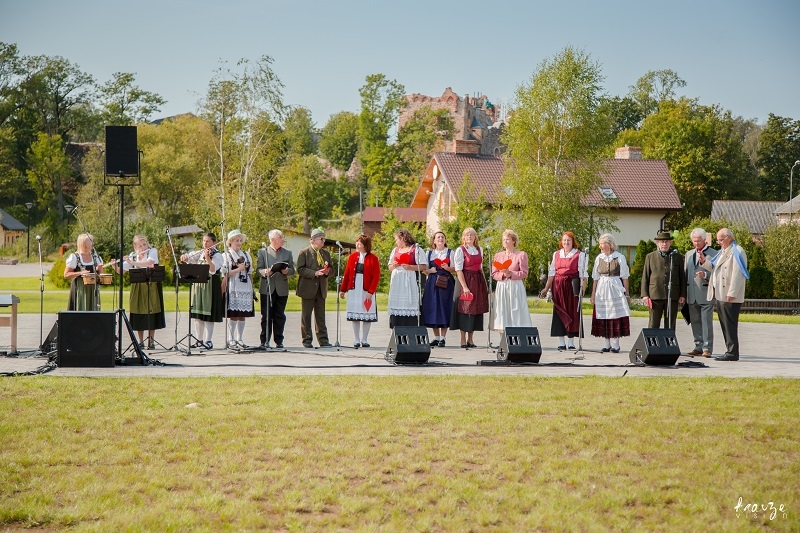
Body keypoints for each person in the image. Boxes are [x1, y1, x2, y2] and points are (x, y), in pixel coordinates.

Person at [702, 227, 749, 361]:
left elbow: (738, 274)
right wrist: (703, 262)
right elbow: (714, 267)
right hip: (720, 293)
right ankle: (729, 350)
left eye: (721, 240)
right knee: (724, 324)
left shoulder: (737, 251)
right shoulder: (723, 251)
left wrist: (732, 292)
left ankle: (732, 352)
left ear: (729, 238)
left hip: (729, 294)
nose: (719, 242)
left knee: (730, 324)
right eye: (718, 240)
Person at [113, 235, 166, 350]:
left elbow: (149, 263)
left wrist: (133, 263)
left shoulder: (152, 251)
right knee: (138, 312)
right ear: (135, 247)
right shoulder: (133, 255)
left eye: (144, 244)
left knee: (152, 311)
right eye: (140, 245)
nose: (143, 247)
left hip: (151, 286)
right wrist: (115, 266)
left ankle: (151, 341)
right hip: (137, 287)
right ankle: (140, 341)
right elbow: (121, 271)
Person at [539, 231, 588, 351]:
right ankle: (561, 342)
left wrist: (583, 289)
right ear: (561, 242)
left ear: (573, 242)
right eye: (564, 240)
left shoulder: (579, 255)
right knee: (559, 312)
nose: (566, 242)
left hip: (572, 286)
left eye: (569, 240)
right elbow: (552, 273)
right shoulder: (556, 254)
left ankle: (571, 342)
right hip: (558, 286)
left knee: (572, 313)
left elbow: (583, 274)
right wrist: (546, 288)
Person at [180, 232, 224, 350]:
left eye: (208, 241)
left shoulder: (218, 255)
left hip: (210, 286)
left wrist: (208, 258)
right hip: (199, 285)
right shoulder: (200, 253)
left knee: (208, 315)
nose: (205, 243)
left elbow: (212, 270)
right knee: (198, 314)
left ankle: (208, 341)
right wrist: (184, 257)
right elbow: (190, 257)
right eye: (204, 241)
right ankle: (199, 340)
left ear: (214, 243)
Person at [589, 233, 631, 353]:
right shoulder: (599, 258)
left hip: (615, 289)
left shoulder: (619, 257)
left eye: (602, 243)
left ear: (610, 244)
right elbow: (595, 278)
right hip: (602, 289)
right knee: (604, 315)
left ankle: (616, 344)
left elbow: (625, 277)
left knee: (615, 316)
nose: (600, 246)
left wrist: (626, 294)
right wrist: (593, 294)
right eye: (600, 243)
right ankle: (606, 344)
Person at [339, 234, 380, 348]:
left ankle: (365, 339)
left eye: (360, 243)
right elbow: (347, 274)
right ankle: (356, 339)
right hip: (354, 288)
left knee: (367, 313)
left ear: (365, 245)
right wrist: (343, 289)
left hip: (366, 290)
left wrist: (371, 291)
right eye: (356, 242)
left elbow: (376, 276)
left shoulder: (373, 258)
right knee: (355, 314)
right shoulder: (352, 257)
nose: (357, 244)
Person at [450, 227, 489, 349]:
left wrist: (485, 284)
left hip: (477, 280)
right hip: (465, 280)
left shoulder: (479, 249)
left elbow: (480, 267)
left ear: (475, 237)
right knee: (465, 309)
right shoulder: (460, 250)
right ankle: (462, 338)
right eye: (467, 235)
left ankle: (471, 339)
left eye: (472, 235)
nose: (470, 237)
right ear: (464, 237)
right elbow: (458, 270)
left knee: (475, 310)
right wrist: (465, 287)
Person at [256, 229, 295, 350]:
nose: (283, 239)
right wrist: (265, 272)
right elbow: (258, 270)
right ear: (273, 240)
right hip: (267, 288)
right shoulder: (263, 252)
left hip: (282, 288)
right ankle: (264, 341)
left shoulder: (287, 253)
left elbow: (293, 269)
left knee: (280, 315)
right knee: (266, 315)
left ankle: (279, 341)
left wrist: (287, 271)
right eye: (281, 237)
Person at [641, 230, 686, 329]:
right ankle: (653, 343)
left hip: (672, 295)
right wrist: (644, 295)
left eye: (666, 241)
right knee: (653, 323)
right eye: (662, 242)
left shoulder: (677, 256)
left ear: (670, 243)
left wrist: (682, 294)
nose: (664, 244)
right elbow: (645, 276)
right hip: (655, 295)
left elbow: (682, 276)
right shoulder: (650, 257)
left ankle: (669, 343)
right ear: (657, 243)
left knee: (670, 324)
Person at [296, 227, 332, 348]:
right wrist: (314, 273)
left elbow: (331, 269)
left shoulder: (326, 253)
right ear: (313, 240)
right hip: (307, 288)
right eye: (321, 239)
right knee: (306, 316)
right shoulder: (304, 252)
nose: (323, 241)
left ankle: (323, 340)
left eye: (324, 239)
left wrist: (327, 272)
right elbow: (300, 269)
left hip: (321, 289)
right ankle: (307, 340)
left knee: (320, 316)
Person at [684, 227, 718, 357]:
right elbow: (686, 274)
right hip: (691, 294)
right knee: (695, 321)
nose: (696, 243)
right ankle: (698, 345)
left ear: (704, 240)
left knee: (706, 322)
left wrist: (706, 275)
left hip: (706, 293)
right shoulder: (688, 254)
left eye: (698, 241)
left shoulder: (714, 254)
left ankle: (707, 348)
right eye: (694, 241)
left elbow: (717, 274)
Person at [490, 229, 532, 331]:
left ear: (513, 241)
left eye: (507, 239)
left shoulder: (521, 255)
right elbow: (494, 273)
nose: (505, 241)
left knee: (516, 310)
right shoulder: (498, 255)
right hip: (502, 286)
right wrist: (503, 275)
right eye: (504, 239)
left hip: (515, 286)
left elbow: (524, 272)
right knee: (502, 311)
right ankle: (503, 340)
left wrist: (511, 274)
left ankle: (517, 337)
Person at [421, 231, 455, 347]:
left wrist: (448, 268)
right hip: (432, 283)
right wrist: (430, 271)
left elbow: (456, 269)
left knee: (445, 307)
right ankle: (436, 337)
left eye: (442, 237)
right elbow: (424, 269)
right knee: (433, 307)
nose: (440, 239)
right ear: (434, 241)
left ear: (445, 240)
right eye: (438, 237)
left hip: (446, 282)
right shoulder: (429, 253)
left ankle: (443, 338)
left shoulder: (450, 252)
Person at [387, 228, 426, 328]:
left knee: (409, 303)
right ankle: (396, 328)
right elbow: (389, 267)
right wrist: (394, 265)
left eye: (397, 239)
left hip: (409, 280)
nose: (395, 241)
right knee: (397, 304)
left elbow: (423, 266)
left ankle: (411, 327)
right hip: (397, 281)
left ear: (403, 238)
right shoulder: (395, 250)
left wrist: (410, 267)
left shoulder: (416, 249)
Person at [222, 229, 254, 349]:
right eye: (237, 240)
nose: (239, 243)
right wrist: (238, 269)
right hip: (233, 286)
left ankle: (239, 338)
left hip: (245, 287)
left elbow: (250, 272)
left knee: (242, 313)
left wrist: (252, 288)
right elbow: (225, 273)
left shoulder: (246, 255)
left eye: (240, 240)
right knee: (234, 313)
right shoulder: (226, 255)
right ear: (230, 241)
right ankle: (231, 339)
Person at [64, 233, 103, 312]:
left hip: (93, 289)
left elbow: (101, 275)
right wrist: (80, 273)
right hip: (80, 288)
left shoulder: (96, 257)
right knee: (80, 309)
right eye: (91, 241)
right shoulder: (75, 257)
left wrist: (99, 269)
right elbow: (66, 274)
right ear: (84, 243)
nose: (93, 243)